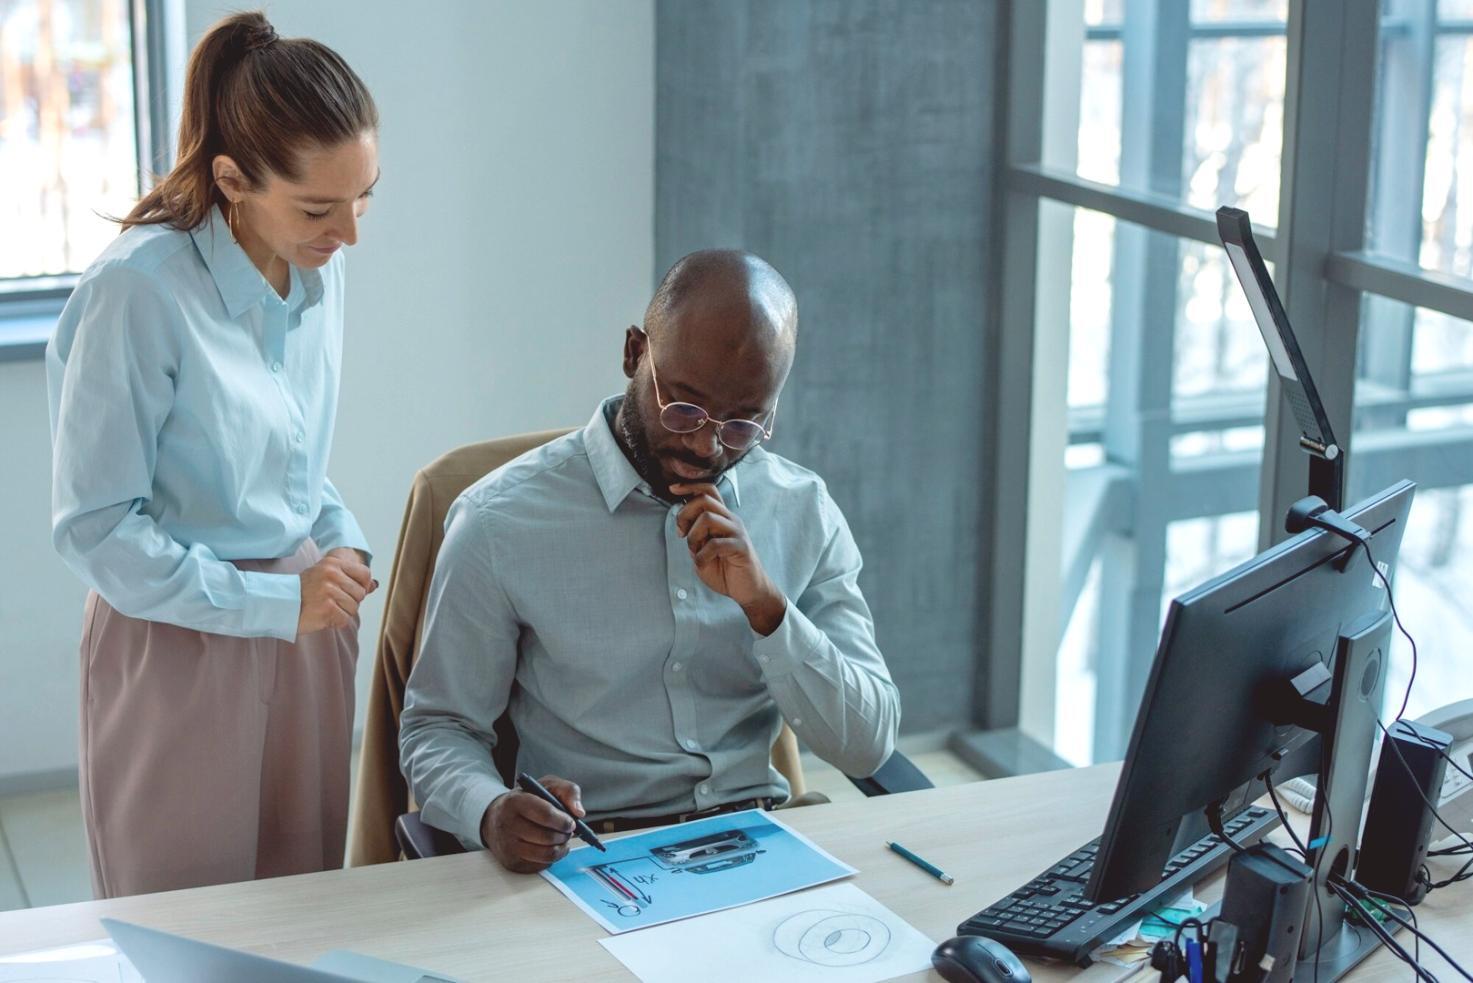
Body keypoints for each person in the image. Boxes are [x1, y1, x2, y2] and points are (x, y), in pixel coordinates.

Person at [400, 249, 900, 873]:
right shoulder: (499, 521)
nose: (705, 445)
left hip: (759, 842)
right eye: (684, 408)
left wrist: (768, 608)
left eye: (742, 424)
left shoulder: (802, 510)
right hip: (593, 854)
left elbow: (868, 747)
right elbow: (438, 729)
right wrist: (490, 810)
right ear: (635, 353)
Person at [46, 11, 380, 898]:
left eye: (364, 197)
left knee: (301, 911)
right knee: (181, 922)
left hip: (305, 629)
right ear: (232, 178)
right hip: (178, 639)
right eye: (319, 207)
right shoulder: (137, 291)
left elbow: (286, 455)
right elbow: (96, 528)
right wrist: (276, 601)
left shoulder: (317, 261)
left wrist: (338, 539)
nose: (349, 232)